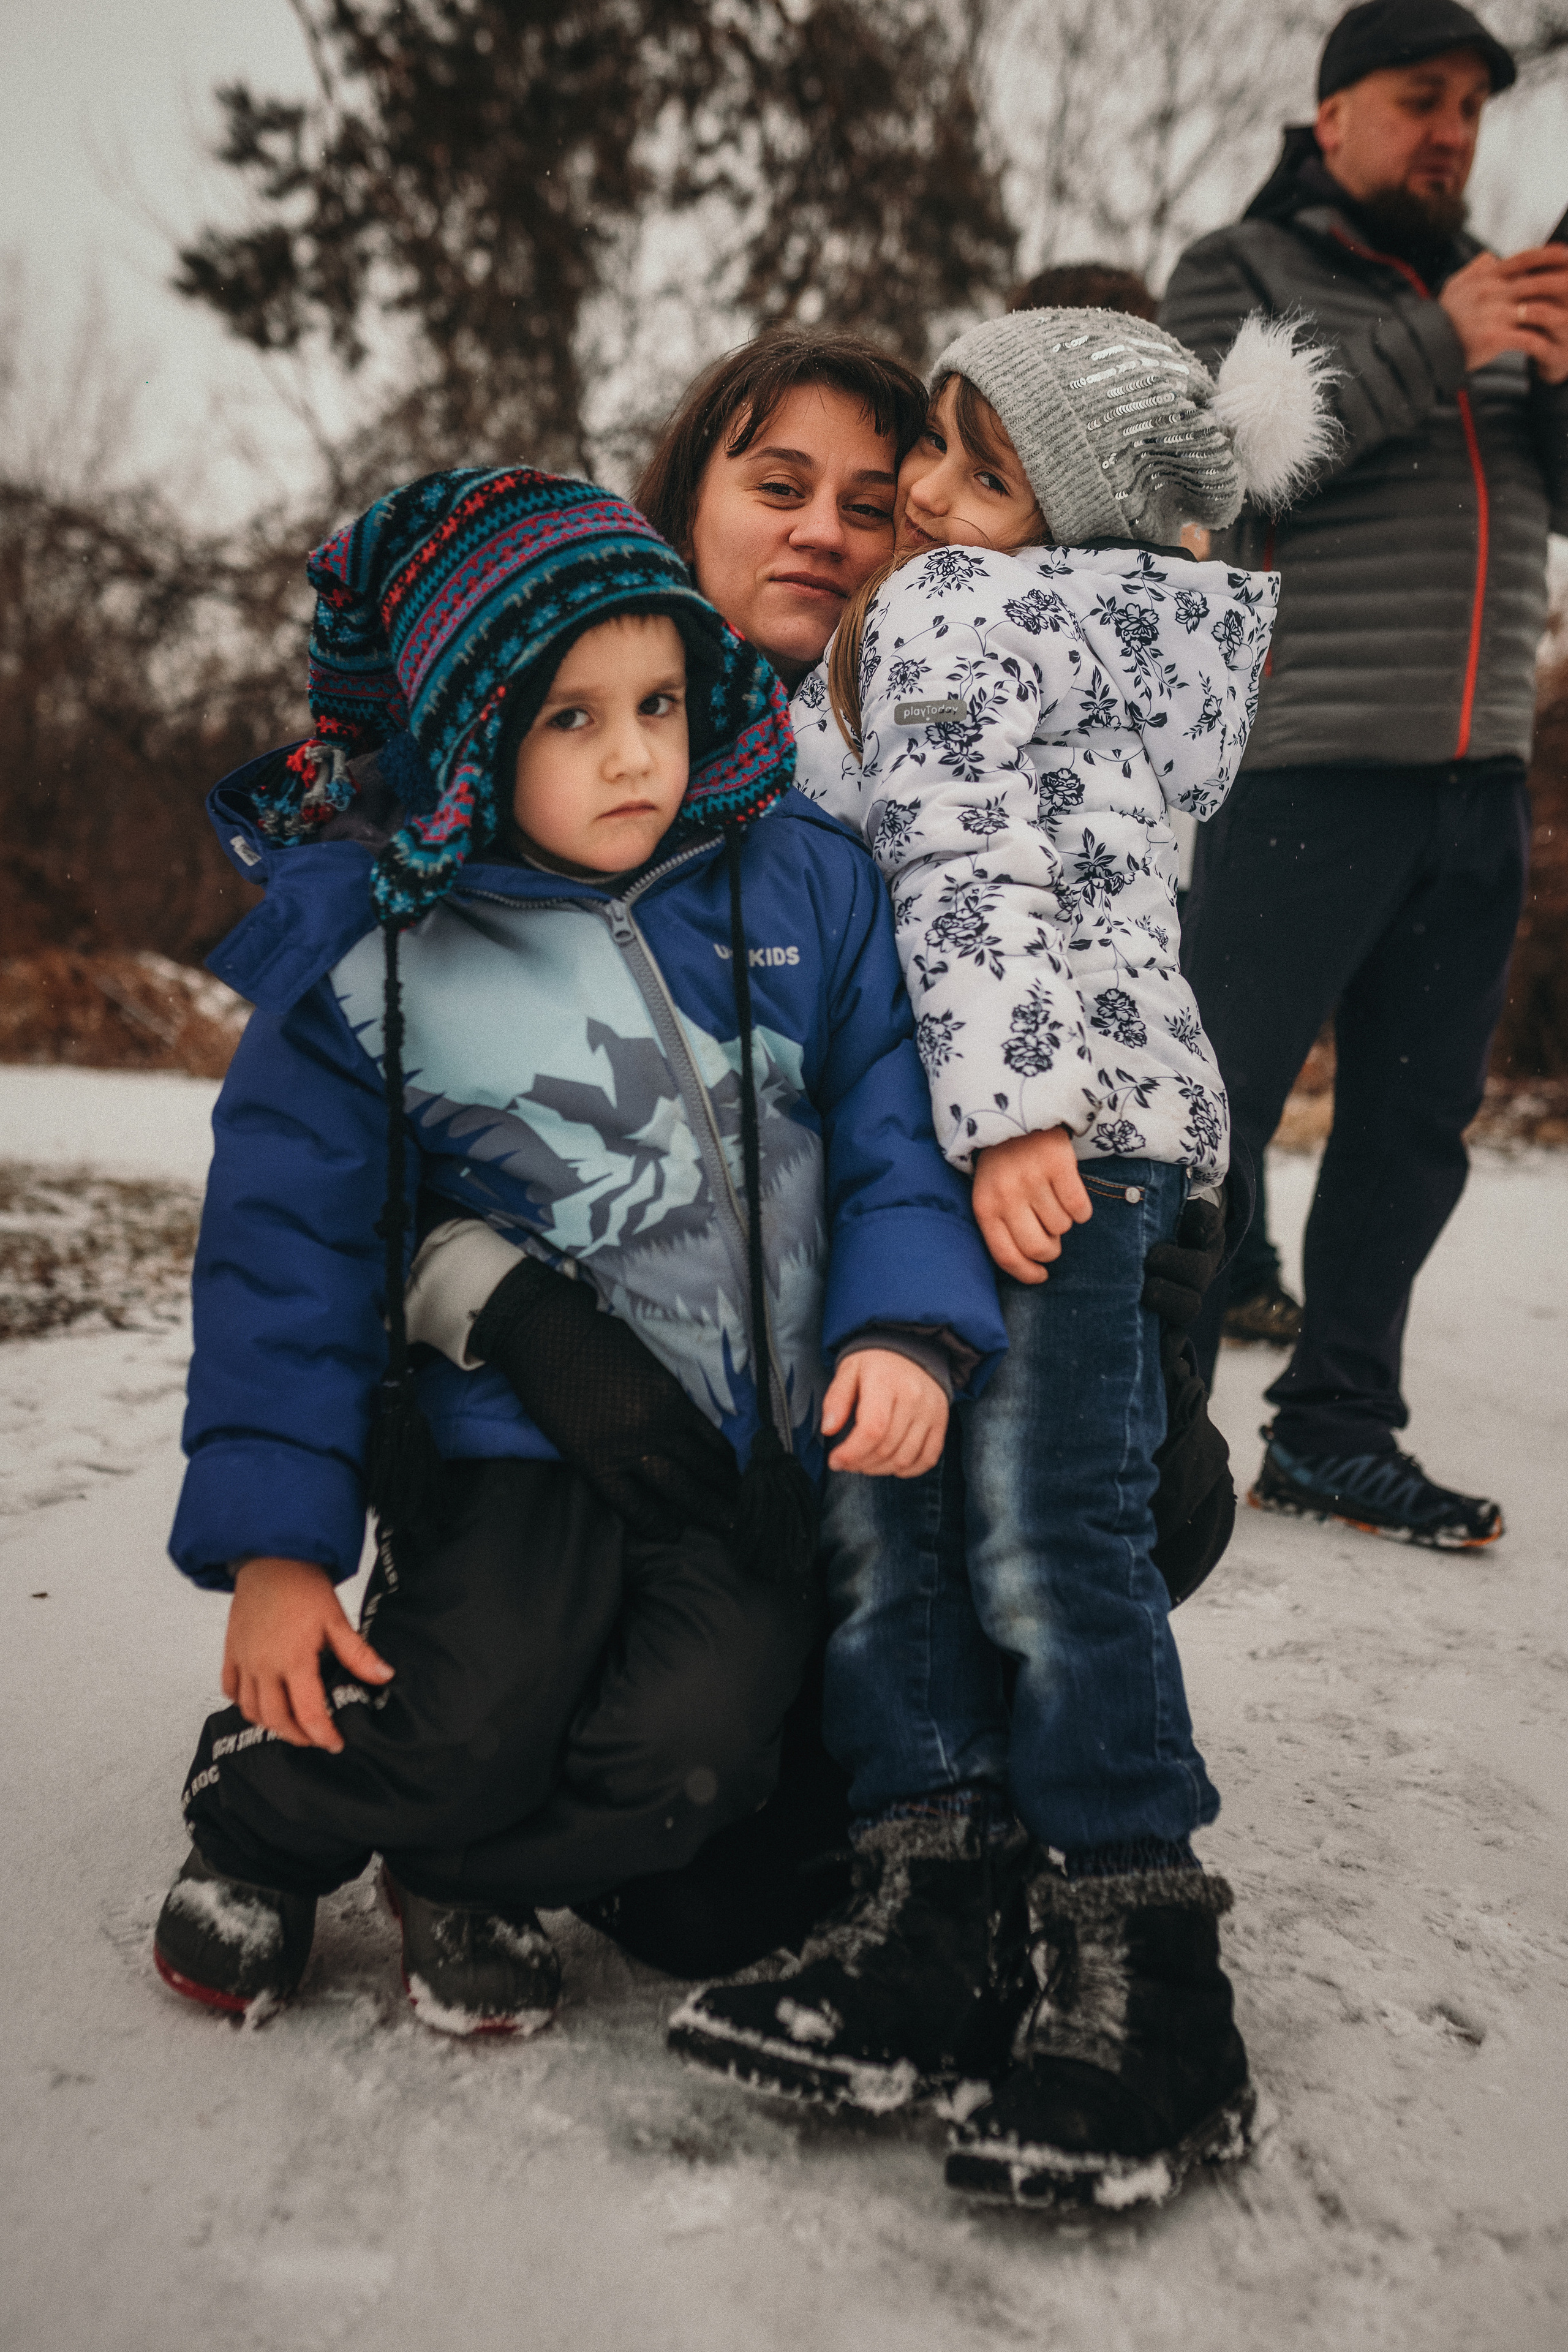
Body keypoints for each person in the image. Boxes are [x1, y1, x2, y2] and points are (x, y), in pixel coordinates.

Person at [151, 466, 1006, 2034]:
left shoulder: (799, 881)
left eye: (659, 706)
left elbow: (895, 1121)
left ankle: (460, 1870)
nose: (633, 756)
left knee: (691, 1761)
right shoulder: (380, 954)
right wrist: (279, 1553)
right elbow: (288, 1256)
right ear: (472, 736)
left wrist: (904, 1329)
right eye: (571, 719)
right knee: (471, 1717)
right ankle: (264, 1821)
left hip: (745, 1450)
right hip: (518, 1448)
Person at [666, 307, 1330, 2211]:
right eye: (933, 464)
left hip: (1028, 1138)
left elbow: (971, 876)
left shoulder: (964, 618)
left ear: (1082, 511)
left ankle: (1147, 1973)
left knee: (1033, 1537)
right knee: (910, 1523)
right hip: (1022, 1134)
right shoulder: (1105, 633)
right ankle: (929, 1909)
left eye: (978, 472)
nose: (929, 506)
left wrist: (1018, 1114)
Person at [1161, 0, 1568, 1546]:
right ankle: (1131, 1425)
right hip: (1303, 767)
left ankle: (1335, 1429)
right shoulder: (1237, 269)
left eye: (1470, 107)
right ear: (1332, 115)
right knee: (1208, 1116)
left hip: (1479, 779)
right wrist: (1443, 339)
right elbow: (1223, 465)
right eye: (1419, 99)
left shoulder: (1497, 297)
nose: (1450, 133)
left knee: (1409, 1131)